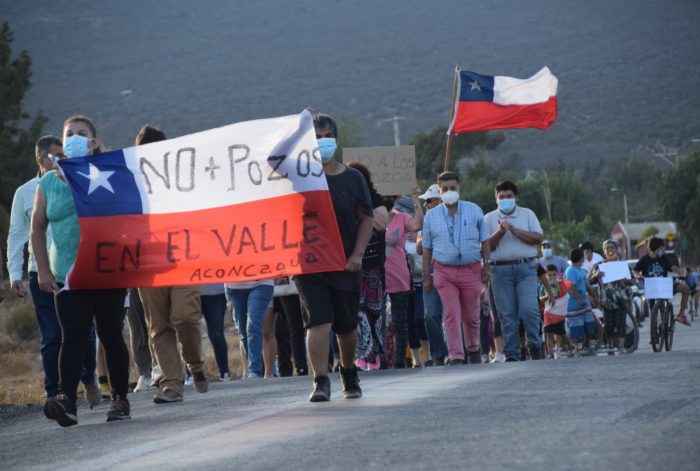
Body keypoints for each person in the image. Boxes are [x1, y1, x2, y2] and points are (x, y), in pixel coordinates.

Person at [32, 116, 131, 426]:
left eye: (81, 134)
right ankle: (67, 400)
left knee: (111, 335)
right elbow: (37, 228)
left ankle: (119, 398)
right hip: (67, 275)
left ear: (92, 141)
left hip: (106, 271)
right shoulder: (47, 182)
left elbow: (126, 216)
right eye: (69, 134)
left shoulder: (109, 172)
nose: (74, 138)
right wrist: (44, 272)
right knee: (72, 337)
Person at [7, 135, 102, 406]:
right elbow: (17, 234)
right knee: (52, 335)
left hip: (73, 270)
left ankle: (89, 378)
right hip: (41, 272)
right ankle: (54, 395)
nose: (61, 159)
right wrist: (15, 274)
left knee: (82, 331)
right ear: (41, 160)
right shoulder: (24, 193)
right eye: (55, 155)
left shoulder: (78, 180)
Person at [294, 111, 373, 401]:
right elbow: (268, 163)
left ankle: (349, 371)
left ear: (335, 140)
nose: (323, 142)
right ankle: (320, 380)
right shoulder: (298, 176)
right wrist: (297, 127)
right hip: (310, 263)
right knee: (318, 321)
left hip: (344, 263)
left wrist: (357, 255)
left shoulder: (352, 178)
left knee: (346, 326)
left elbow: (365, 219)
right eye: (316, 137)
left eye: (327, 137)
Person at [133, 124, 209, 404]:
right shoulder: (130, 184)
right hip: (148, 263)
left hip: (184, 260)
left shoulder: (184, 178)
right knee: (159, 326)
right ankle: (172, 385)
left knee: (185, 317)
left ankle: (195, 365)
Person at [422, 171, 490, 365]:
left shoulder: (474, 210)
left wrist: (487, 267)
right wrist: (427, 275)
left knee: (471, 316)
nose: (449, 191)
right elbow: (426, 248)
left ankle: (473, 349)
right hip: (444, 271)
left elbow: (485, 240)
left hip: (472, 269)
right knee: (451, 314)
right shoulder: (431, 217)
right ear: (439, 191)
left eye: (453, 188)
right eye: (445, 189)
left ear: (459, 188)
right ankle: (456, 355)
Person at [484, 180, 543, 362]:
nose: (505, 200)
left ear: (516, 197)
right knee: (507, 315)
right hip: (499, 270)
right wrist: (500, 232)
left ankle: (535, 345)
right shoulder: (489, 218)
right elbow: (485, 246)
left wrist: (515, 231)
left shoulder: (527, 214)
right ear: (496, 199)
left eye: (509, 196)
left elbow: (538, 237)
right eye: (501, 197)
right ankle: (512, 354)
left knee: (529, 309)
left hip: (525, 268)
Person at [346, 161, 388, 371]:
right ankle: (362, 355)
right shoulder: (343, 198)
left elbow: (381, 223)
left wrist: (363, 207)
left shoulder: (376, 199)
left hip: (373, 267)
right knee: (356, 312)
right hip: (353, 267)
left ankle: (376, 356)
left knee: (375, 312)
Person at [384, 191, 424, 367]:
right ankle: (381, 361)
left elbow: (418, 224)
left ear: (396, 198)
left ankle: (399, 361)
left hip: (398, 276)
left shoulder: (402, 218)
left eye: (389, 197)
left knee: (400, 322)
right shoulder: (369, 217)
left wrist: (416, 200)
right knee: (375, 322)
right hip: (375, 278)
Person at [416, 185, 447, 365]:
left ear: (439, 200)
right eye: (425, 202)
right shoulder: (427, 221)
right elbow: (420, 248)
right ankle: (438, 354)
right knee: (430, 315)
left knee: (453, 315)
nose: (426, 205)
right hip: (432, 271)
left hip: (451, 269)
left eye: (429, 201)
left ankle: (459, 353)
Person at [633, 237, 691, 326]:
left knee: (686, 289)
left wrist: (681, 273)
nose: (663, 249)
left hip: (664, 286)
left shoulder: (663, 258)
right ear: (656, 247)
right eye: (662, 247)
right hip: (651, 288)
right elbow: (635, 270)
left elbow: (673, 267)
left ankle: (681, 314)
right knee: (653, 314)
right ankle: (654, 337)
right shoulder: (644, 259)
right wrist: (640, 276)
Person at [588, 240, 633, 354]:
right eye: (607, 248)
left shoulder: (623, 264)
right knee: (608, 326)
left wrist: (627, 281)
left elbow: (632, 281)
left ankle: (621, 347)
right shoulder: (599, 266)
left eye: (612, 247)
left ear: (616, 249)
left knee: (621, 324)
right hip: (606, 301)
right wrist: (596, 276)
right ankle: (610, 344)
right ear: (604, 251)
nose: (610, 250)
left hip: (621, 300)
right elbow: (590, 281)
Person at [225, 279, 274, 379]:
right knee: (243, 331)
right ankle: (254, 367)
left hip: (261, 283)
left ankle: (255, 371)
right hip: (233, 286)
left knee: (253, 321)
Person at [564, 248, 595, 355]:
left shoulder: (582, 271)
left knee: (589, 325)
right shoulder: (570, 270)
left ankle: (586, 345)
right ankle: (575, 348)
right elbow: (571, 286)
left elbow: (587, 285)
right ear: (581, 258)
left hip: (585, 304)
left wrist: (594, 296)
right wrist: (579, 299)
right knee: (575, 328)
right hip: (574, 304)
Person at [201, 284, 230, 380]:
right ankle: (191, 374)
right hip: (188, 291)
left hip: (216, 291)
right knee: (189, 334)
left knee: (216, 335)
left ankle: (224, 372)